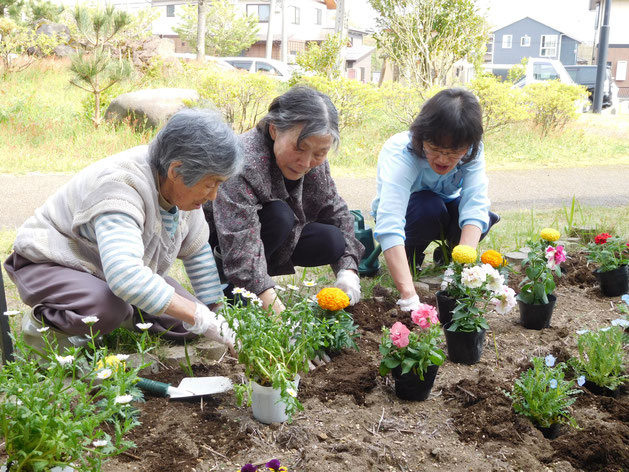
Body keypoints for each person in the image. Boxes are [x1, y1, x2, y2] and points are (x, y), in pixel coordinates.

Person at [4, 108, 243, 352]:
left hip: (108, 271)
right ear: (175, 171)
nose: (213, 195)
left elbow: (197, 251)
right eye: (210, 184)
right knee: (108, 308)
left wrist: (214, 312)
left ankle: (118, 313)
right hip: (51, 262)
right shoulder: (121, 186)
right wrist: (197, 315)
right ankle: (44, 328)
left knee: (184, 324)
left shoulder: (181, 191)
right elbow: (125, 276)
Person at [204, 86, 364, 314]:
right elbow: (239, 240)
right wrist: (279, 313)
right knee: (280, 216)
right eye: (300, 148)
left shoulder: (314, 163)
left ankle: (259, 280)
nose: (306, 162)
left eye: (319, 153)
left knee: (332, 239)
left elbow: (335, 210)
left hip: (274, 237)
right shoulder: (242, 162)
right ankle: (234, 287)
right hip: (226, 244)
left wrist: (348, 271)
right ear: (274, 130)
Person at [371, 88, 500, 312]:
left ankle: (450, 257)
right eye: (435, 149)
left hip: (445, 205)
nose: (442, 159)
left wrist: (462, 269)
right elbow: (390, 221)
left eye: (453, 152)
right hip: (414, 212)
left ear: (468, 145)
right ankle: (410, 258)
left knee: (481, 218)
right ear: (421, 138)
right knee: (427, 205)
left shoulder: (472, 151)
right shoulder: (401, 152)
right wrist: (409, 295)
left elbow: (475, 204)